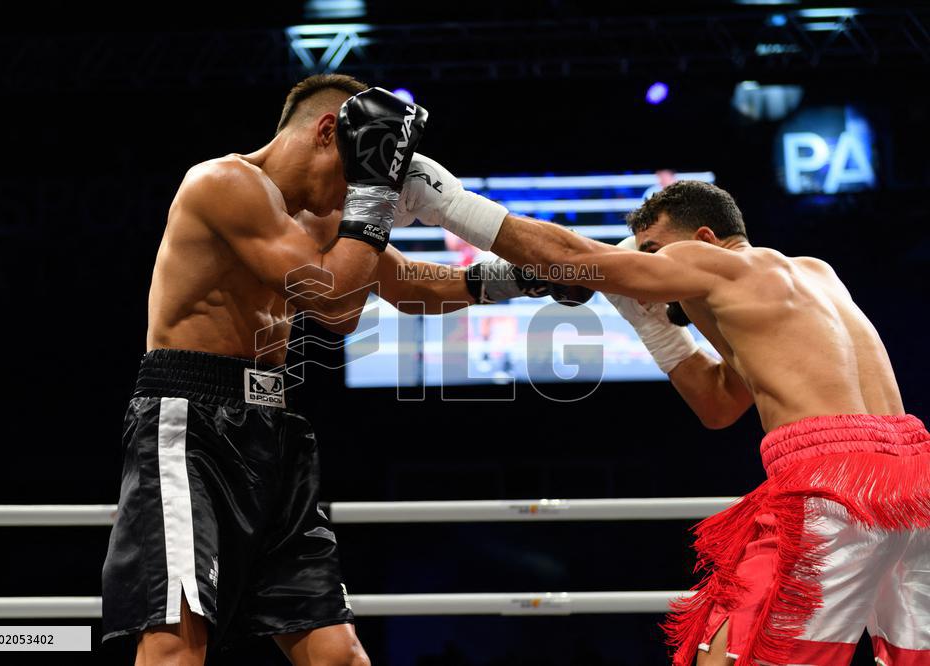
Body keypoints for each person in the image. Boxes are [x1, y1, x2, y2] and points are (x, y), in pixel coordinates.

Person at [101, 75, 588, 666]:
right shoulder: (223, 184)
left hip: (272, 431)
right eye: (355, 174)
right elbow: (333, 301)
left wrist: (520, 278)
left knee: (338, 654)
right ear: (327, 132)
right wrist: (374, 192)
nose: (350, 196)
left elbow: (408, 285)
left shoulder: (316, 216)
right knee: (177, 646)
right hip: (191, 426)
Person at [396, 156, 930, 665]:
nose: (649, 269)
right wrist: (647, 321)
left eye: (653, 251)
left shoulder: (709, 261)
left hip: (830, 484)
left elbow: (574, 259)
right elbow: (719, 404)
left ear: (705, 239)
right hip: (914, 484)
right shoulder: (812, 275)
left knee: (728, 654)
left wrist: (449, 202)